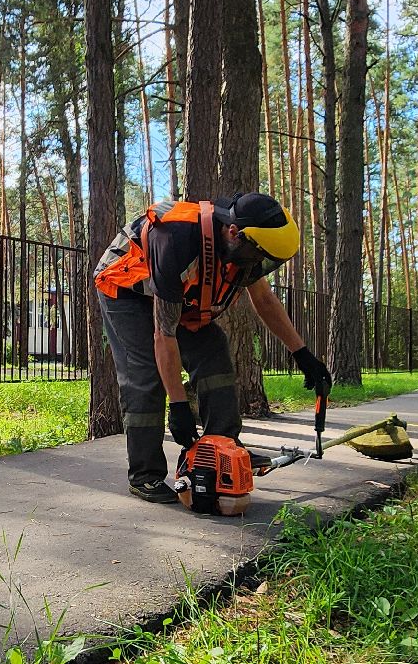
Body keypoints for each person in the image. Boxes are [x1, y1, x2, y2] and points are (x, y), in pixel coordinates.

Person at [93, 192, 333, 503]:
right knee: (146, 375)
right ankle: (145, 475)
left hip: (177, 295)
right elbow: (163, 335)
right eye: (259, 255)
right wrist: (179, 406)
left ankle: (222, 450)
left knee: (213, 349)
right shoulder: (176, 240)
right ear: (234, 233)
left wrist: (302, 354)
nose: (260, 263)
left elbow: (264, 300)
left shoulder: (243, 247)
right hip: (127, 289)